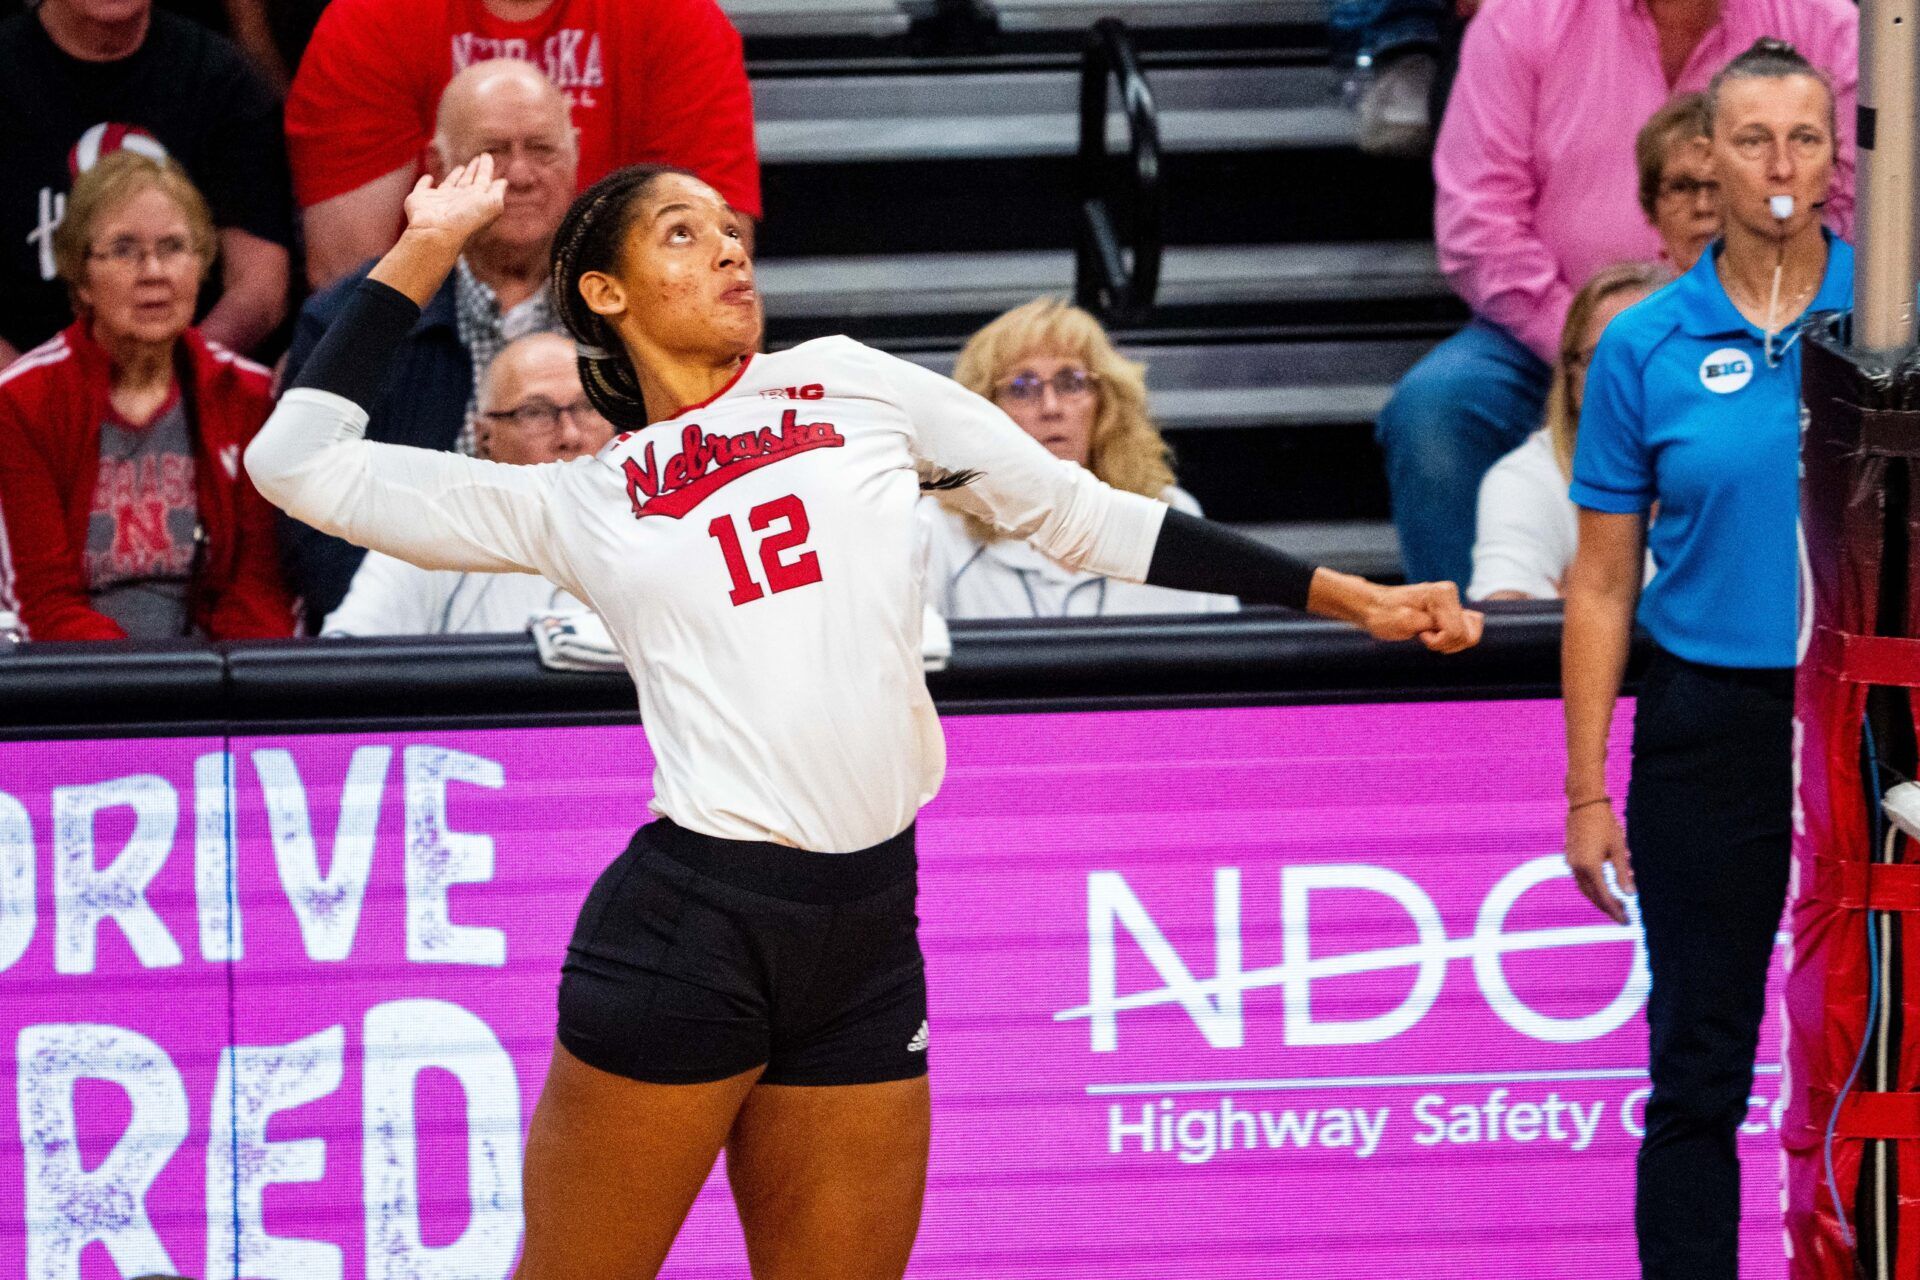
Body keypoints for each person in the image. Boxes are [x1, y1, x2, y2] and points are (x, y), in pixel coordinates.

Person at [246, 155, 1481, 1277]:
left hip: (869, 929)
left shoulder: (849, 384)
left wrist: (1335, 591)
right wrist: (425, 242)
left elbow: (1083, 513)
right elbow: (293, 462)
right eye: (683, 235)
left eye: (733, 231)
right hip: (693, 925)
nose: (730, 249)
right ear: (606, 295)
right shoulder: (582, 493)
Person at [1560, 40, 1849, 1279]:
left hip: (1872, 709)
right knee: (1698, 1059)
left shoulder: (1891, 314)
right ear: (1706, 163)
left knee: (1884, 1037)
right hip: (1708, 715)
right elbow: (1603, 578)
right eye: (1753, 140)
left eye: (1805, 138)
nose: (1781, 166)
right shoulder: (1646, 345)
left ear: (1839, 157)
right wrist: (1584, 786)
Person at [1376, 0, 1857, 588]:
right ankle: (1471, 670)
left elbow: (1855, 210)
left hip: (1770, 322)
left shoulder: (1824, 22)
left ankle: (1809, 644)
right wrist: (1605, 348)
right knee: (1437, 410)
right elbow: (1478, 227)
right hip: (1558, 335)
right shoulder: (1520, 18)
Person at [281, 58, 575, 629]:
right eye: (493, 152)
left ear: (575, 155)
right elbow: (311, 529)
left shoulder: (631, 315)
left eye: (542, 149)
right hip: (411, 643)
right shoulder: (347, 322)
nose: (520, 174)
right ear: (438, 167)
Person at [0, 151, 293, 641]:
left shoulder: (249, 398)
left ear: (201, 265)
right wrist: (142, 689)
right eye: (124, 249)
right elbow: (42, 600)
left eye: (175, 247)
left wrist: (227, 694)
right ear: (82, 275)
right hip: (74, 685)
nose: (154, 271)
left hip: (217, 687)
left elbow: (260, 589)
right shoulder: (23, 402)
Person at [286, 0, 759, 288]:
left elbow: (706, 257)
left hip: (614, 325)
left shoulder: (678, 19)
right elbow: (347, 277)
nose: (518, 176)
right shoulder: (370, 21)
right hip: (424, 341)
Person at [0, 0, 292, 366]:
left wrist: (166, 387)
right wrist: (33, 398)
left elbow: (259, 289)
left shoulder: (222, 80)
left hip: (193, 392)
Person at [927, 298, 1237, 618]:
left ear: (1106, 403)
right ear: (984, 410)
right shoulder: (942, 528)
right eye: (1022, 387)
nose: (1051, 407)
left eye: (1070, 382)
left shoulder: (1171, 518)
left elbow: (1230, 656)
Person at [321, 332, 609, 635]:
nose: (570, 436)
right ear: (484, 439)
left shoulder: (655, 525)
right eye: (536, 413)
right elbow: (346, 657)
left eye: (588, 407)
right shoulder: (432, 531)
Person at [1468, 263, 1665, 601]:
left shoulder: (1742, 464)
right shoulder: (1525, 478)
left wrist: (1584, 605)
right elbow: (1507, 618)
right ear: (1572, 378)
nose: (1624, 378)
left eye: (1649, 355)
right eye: (1599, 358)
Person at [1637, 93, 1719, 272]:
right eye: (1680, 188)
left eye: (1717, 185)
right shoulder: (1629, 299)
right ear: (1652, 210)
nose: (1702, 207)